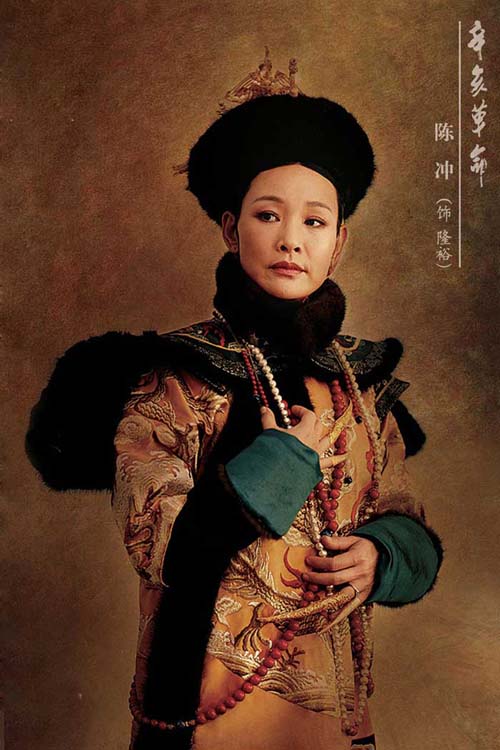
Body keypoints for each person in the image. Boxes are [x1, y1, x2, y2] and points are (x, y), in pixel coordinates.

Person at [25, 60, 443, 750]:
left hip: (334, 716)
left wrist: (381, 554)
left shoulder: (362, 385)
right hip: (204, 707)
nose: (291, 239)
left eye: (315, 221)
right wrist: (279, 463)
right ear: (230, 228)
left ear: (339, 243)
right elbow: (159, 544)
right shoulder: (175, 380)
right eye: (267, 215)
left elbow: (405, 512)